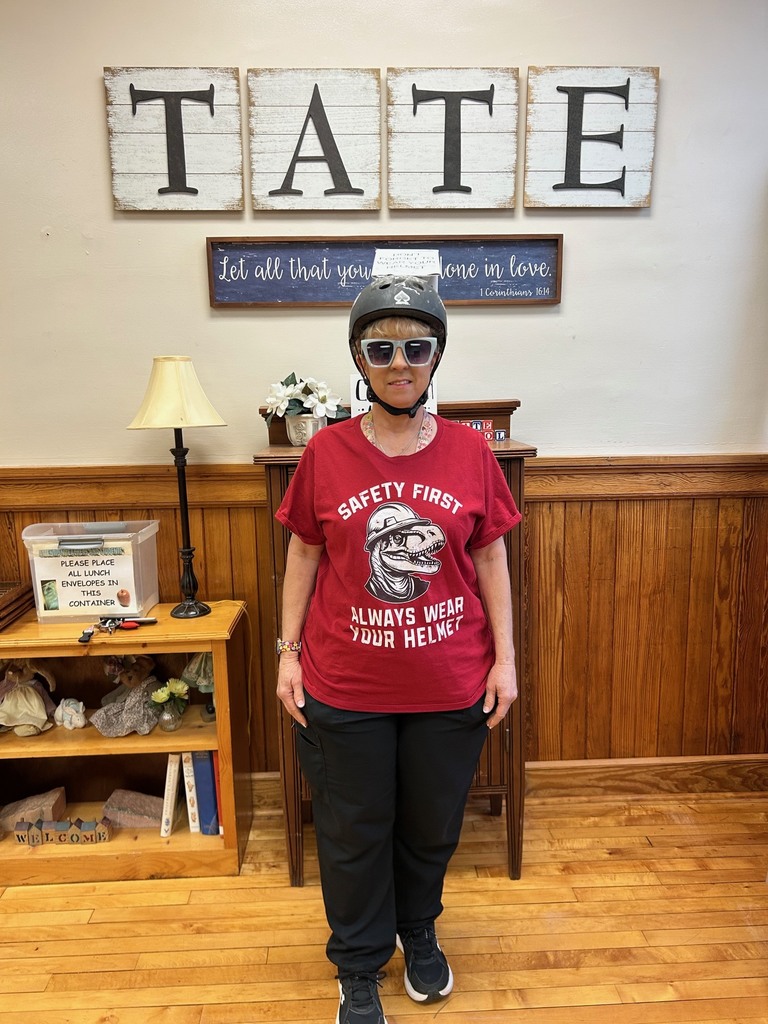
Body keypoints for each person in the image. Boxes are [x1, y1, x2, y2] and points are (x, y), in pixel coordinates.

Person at [275, 274, 521, 1024]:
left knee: (430, 825)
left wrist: (506, 659)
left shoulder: (470, 453)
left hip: (450, 682)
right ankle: (357, 964)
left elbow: (489, 560)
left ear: (436, 356)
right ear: (360, 356)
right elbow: (304, 556)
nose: (399, 362)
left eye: (416, 346)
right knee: (352, 832)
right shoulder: (326, 451)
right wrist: (288, 652)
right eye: (381, 348)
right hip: (344, 682)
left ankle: (418, 928)